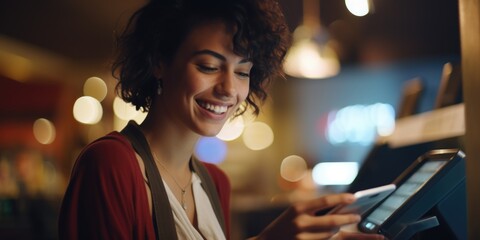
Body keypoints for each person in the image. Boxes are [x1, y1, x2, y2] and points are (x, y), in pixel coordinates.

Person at [58, 0, 384, 239]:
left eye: (242, 72)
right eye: (208, 67)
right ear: (159, 61)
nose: (229, 88)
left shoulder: (215, 182)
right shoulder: (111, 164)